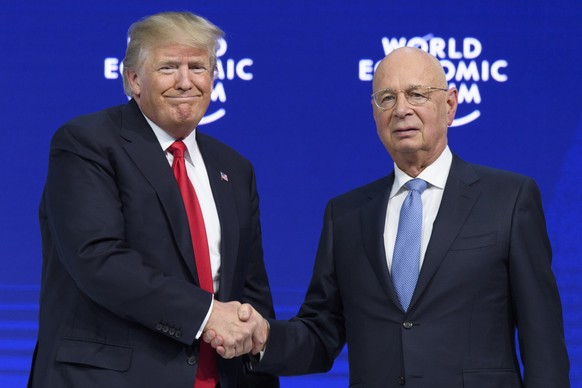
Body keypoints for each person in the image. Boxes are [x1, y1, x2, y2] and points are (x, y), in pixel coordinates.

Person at [210, 47, 570, 387]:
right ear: (374, 114)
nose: (401, 109)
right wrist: (264, 337)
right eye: (387, 98)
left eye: (417, 94)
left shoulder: (509, 198)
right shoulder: (346, 215)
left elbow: (542, 340)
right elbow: (322, 332)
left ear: (450, 105)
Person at [28, 11, 277, 388]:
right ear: (133, 80)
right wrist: (207, 315)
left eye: (198, 66)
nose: (185, 81)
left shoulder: (234, 169)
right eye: (168, 67)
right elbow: (98, 259)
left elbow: (250, 290)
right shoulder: (87, 143)